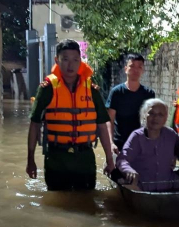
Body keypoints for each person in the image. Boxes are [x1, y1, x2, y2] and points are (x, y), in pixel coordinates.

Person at [26, 40, 115, 191]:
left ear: (80, 62)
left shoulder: (91, 90)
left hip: (84, 157)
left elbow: (102, 126)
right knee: (57, 204)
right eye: (65, 59)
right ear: (57, 60)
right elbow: (34, 124)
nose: (70, 65)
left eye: (75, 60)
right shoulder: (47, 89)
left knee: (87, 201)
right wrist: (30, 160)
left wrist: (109, 159)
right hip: (56, 158)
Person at [116, 98, 179, 192]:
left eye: (160, 115)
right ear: (145, 115)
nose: (155, 118)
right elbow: (122, 159)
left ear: (165, 118)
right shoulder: (137, 137)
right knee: (122, 179)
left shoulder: (170, 134)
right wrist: (129, 171)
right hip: (142, 186)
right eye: (151, 113)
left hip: (169, 183)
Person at [106, 53, 156, 155]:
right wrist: (110, 143)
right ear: (125, 69)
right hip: (119, 144)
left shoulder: (148, 94)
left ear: (143, 70)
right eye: (132, 66)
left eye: (139, 67)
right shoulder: (117, 92)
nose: (135, 70)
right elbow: (109, 120)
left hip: (141, 144)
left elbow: (152, 121)